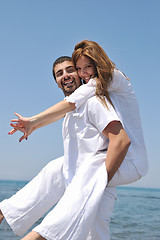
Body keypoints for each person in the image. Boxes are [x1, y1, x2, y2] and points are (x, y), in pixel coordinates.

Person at [0, 39, 148, 239]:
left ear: (96, 65)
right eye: (60, 73)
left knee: (90, 169)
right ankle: (6, 212)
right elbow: (65, 108)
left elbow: (120, 140)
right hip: (95, 169)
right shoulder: (77, 108)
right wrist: (32, 125)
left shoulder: (100, 89)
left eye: (73, 70)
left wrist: (99, 180)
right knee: (57, 168)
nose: (75, 74)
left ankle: (39, 236)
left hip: (123, 161)